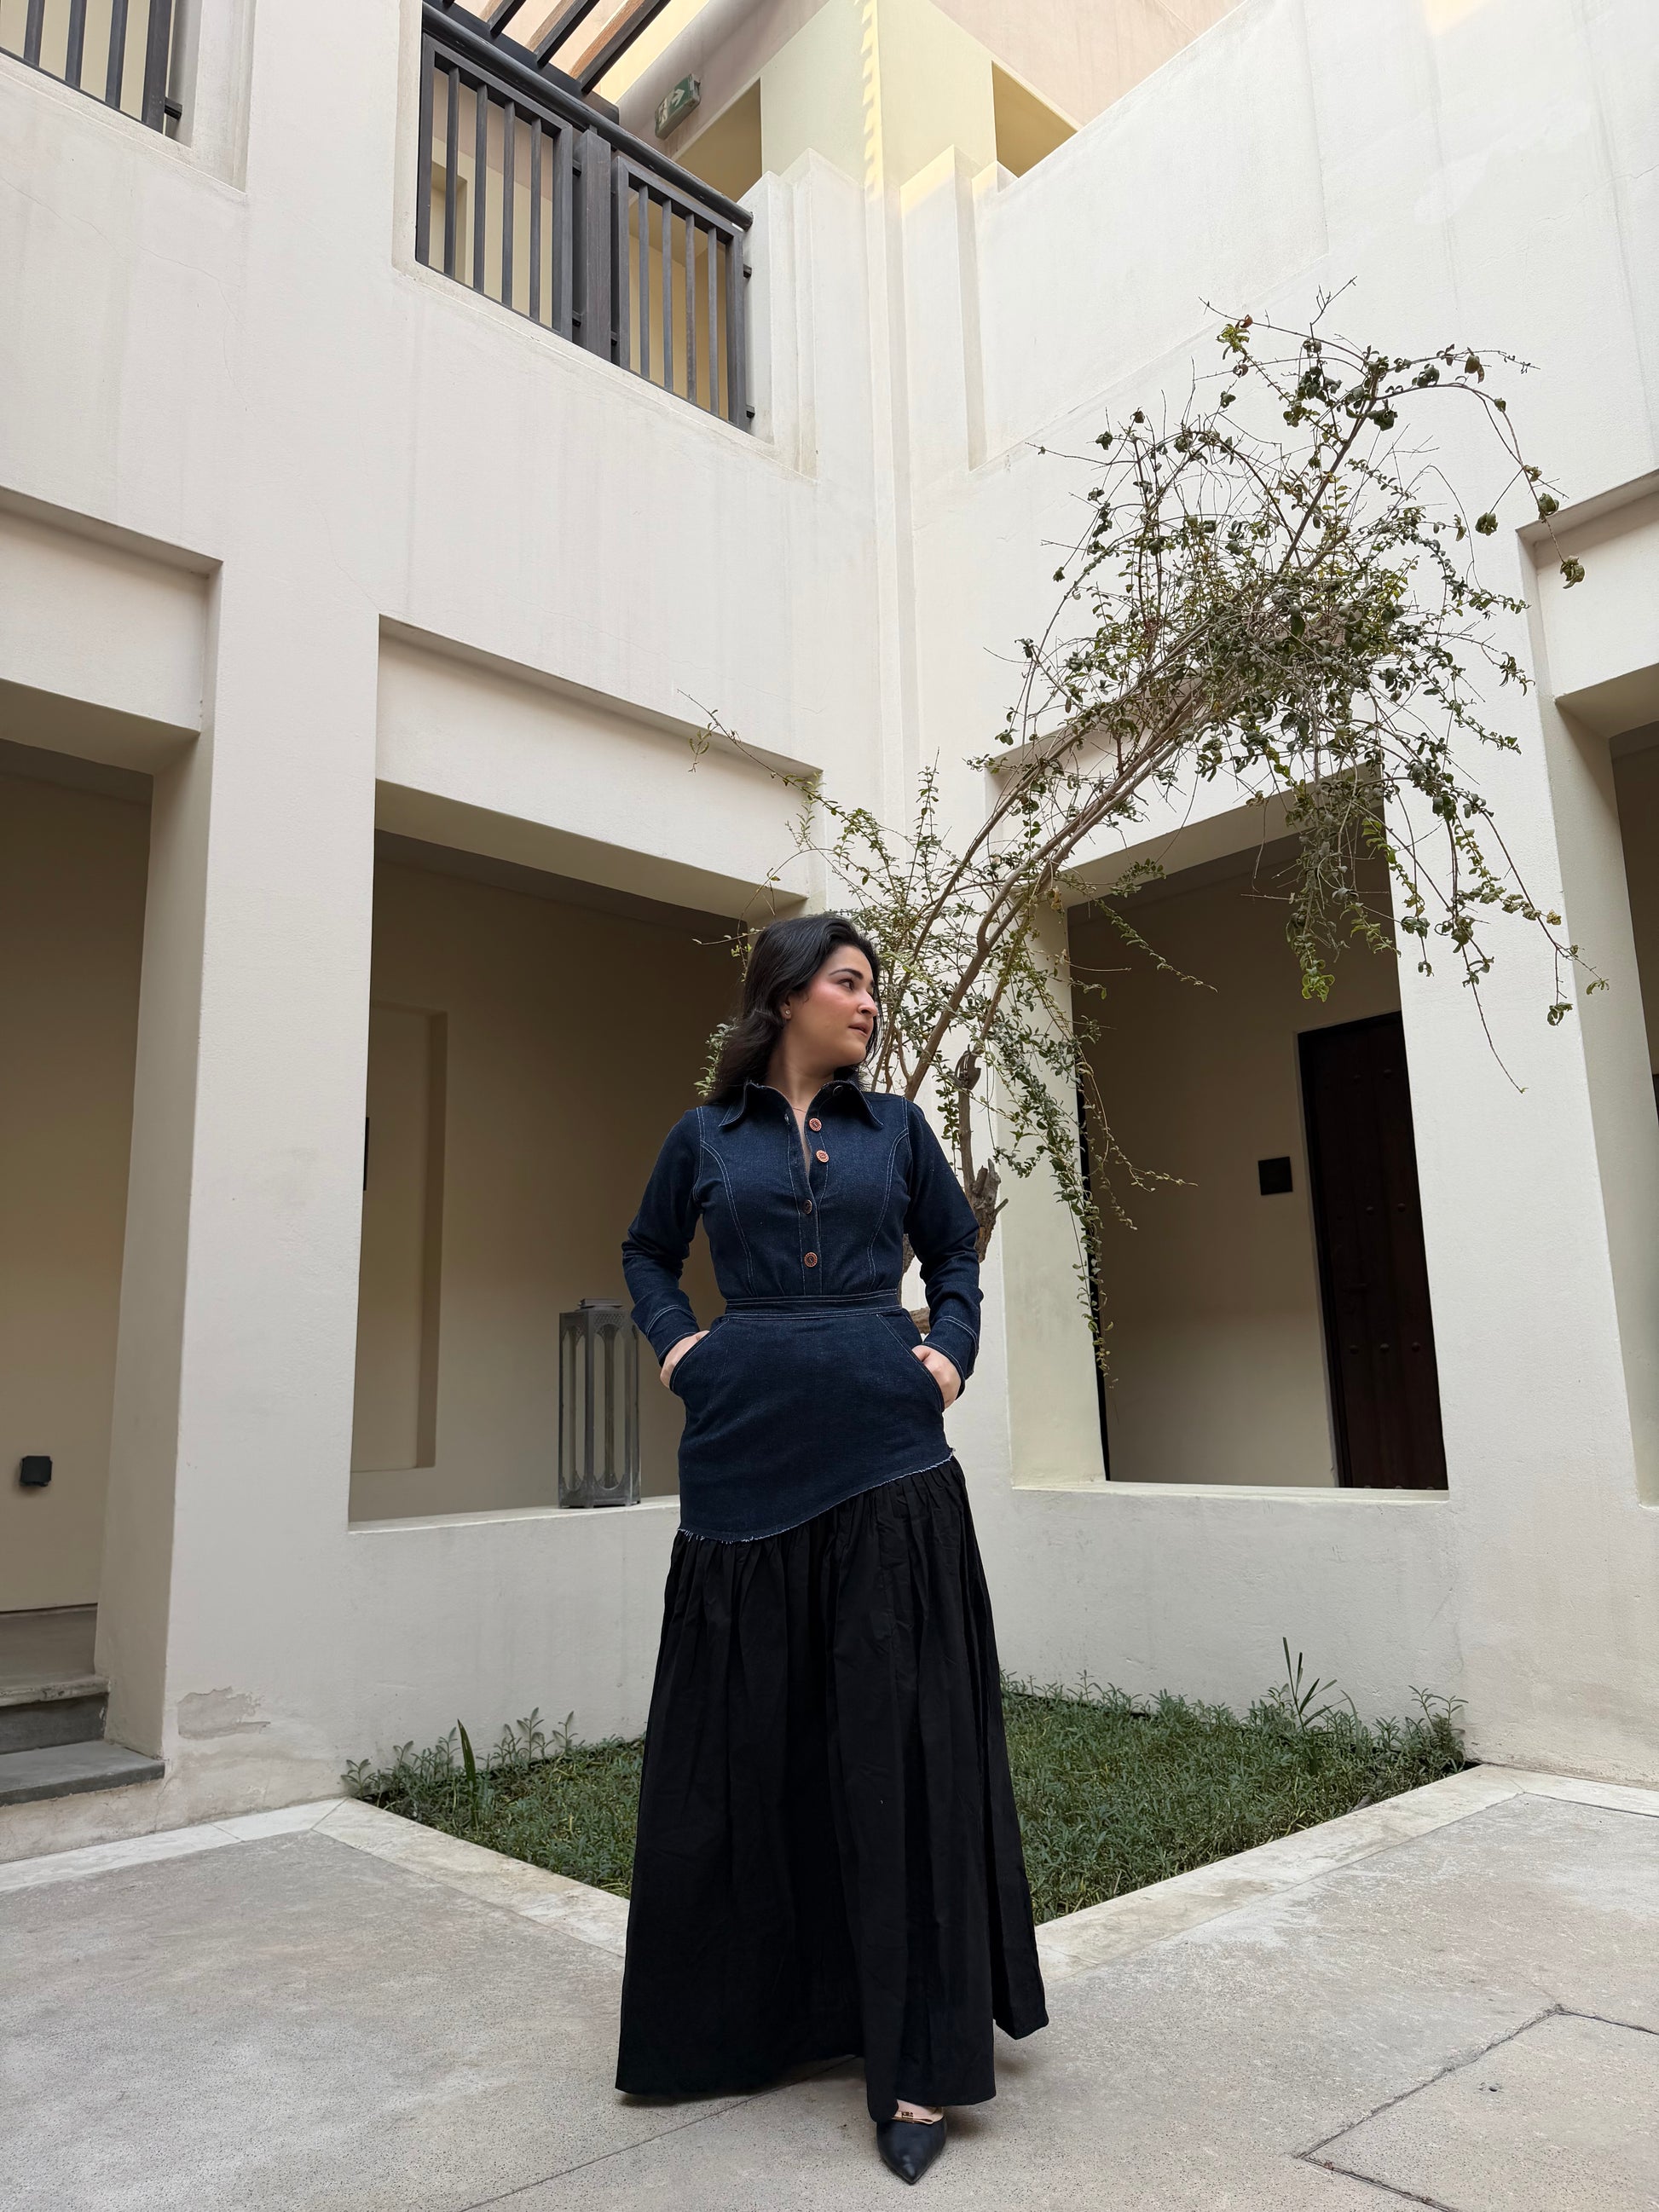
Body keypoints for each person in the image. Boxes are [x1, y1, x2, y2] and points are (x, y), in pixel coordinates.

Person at [614, 912, 1048, 2185]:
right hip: (740, 1461)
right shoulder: (703, 1137)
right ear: (786, 994)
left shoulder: (898, 1129)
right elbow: (647, 1254)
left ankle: (914, 2062)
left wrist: (947, 1356)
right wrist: (681, 1351)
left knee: (894, 1747)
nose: (867, 1004)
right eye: (849, 983)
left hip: (887, 1455)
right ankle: (754, 2018)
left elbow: (953, 1251)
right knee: (752, 1743)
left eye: (872, 987)